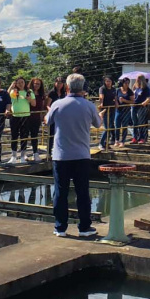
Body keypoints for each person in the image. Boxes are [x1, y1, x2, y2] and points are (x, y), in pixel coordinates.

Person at [47, 73, 102, 238]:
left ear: (67, 87)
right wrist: (100, 115)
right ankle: (84, 227)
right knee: (83, 192)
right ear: (83, 88)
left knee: (60, 192)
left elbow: (47, 121)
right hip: (81, 155)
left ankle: (60, 227)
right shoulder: (89, 105)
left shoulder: (58, 104)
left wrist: (49, 111)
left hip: (61, 155)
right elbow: (98, 124)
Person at [9, 78, 35, 164]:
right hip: (15, 116)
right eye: (18, 82)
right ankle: (13, 157)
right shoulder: (14, 91)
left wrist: (29, 99)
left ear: (25, 83)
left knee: (24, 136)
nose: (20, 84)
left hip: (25, 116)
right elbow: (7, 95)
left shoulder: (29, 91)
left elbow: (34, 104)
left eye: (22, 82)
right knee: (14, 136)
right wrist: (11, 86)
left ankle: (23, 156)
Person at [26, 78, 48, 163]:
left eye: (38, 84)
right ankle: (24, 154)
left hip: (36, 117)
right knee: (25, 135)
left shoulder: (42, 94)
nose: (36, 85)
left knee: (34, 136)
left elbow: (43, 105)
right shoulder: (29, 92)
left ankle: (35, 153)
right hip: (27, 116)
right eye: (35, 83)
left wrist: (43, 116)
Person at [47, 77, 68, 157]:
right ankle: (49, 152)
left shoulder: (64, 93)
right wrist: (51, 110)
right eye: (57, 83)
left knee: (61, 133)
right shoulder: (52, 93)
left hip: (62, 116)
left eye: (61, 83)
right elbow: (47, 105)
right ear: (55, 84)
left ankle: (60, 150)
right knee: (51, 133)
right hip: (53, 116)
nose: (59, 85)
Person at [131, 75, 150, 144]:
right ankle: (135, 137)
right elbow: (133, 95)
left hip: (142, 107)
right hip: (134, 106)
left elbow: (148, 98)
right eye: (137, 79)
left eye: (139, 79)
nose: (137, 80)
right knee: (135, 122)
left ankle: (142, 137)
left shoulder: (146, 88)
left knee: (141, 122)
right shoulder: (136, 88)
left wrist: (145, 102)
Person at [97, 76, 116, 149]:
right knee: (107, 127)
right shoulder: (102, 89)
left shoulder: (113, 89)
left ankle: (105, 142)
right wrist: (101, 103)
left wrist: (116, 103)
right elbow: (101, 97)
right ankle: (101, 143)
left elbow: (115, 97)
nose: (108, 83)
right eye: (107, 81)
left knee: (110, 126)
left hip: (112, 109)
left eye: (109, 81)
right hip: (105, 110)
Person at [115, 77, 134, 145]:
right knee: (117, 126)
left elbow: (132, 101)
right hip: (118, 110)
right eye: (126, 83)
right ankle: (116, 140)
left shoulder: (130, 91)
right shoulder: (118, 90)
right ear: (122, 83)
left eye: (128, 83)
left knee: (124, 126)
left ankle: (123, 141)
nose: (127, 84)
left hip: (126, 110)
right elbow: (115, 98)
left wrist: (124, 100)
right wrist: (116, 103)